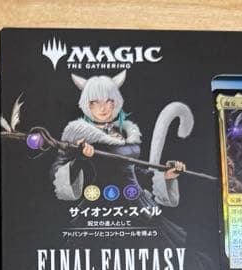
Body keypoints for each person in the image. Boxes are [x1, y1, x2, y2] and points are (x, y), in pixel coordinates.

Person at [51, 72, 186, 206]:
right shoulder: (77, 134)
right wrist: (80, 158)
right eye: (94, 102)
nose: (102, 108)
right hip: (101, 200)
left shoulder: (123, 131)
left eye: (108, 101)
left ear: (115, 102)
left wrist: (165, 176)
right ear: (87, 104)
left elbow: (130, 170)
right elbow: (57, 175)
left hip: (135, 199)